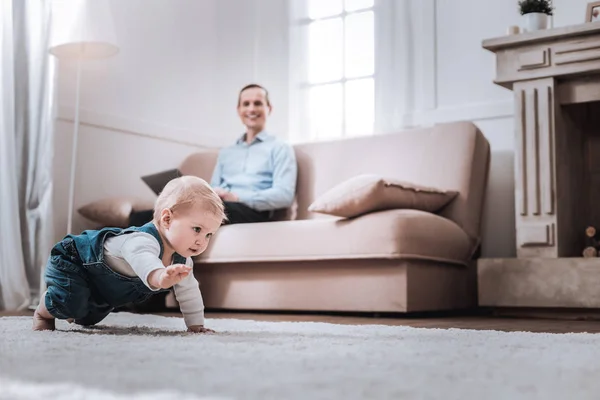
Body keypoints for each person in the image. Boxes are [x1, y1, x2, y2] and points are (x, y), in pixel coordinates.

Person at [32, 176, 225, 333]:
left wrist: (196, 325)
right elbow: (145, 260)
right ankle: (44, 310)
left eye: (209, 234)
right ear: (167, 219)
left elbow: (189, 292)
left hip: (105, 287)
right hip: (76, 261)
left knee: (86, 319)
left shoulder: (184, 261)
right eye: (197, 229)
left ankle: (73, 303)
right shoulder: (142, 240)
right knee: (69, 303)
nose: (202, 241)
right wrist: (160, 276)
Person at [210, 84, 297, 224]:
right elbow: (212, 187)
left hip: (254, 212)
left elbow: (284, 195)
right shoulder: (226, 152)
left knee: (210, 210)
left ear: (269, 109)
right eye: (246, 104)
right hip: (220, 205)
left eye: (258, 103)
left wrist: (238, 197)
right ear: (239, 110)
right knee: (173, 190)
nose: (251, 109)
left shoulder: (280, 147)